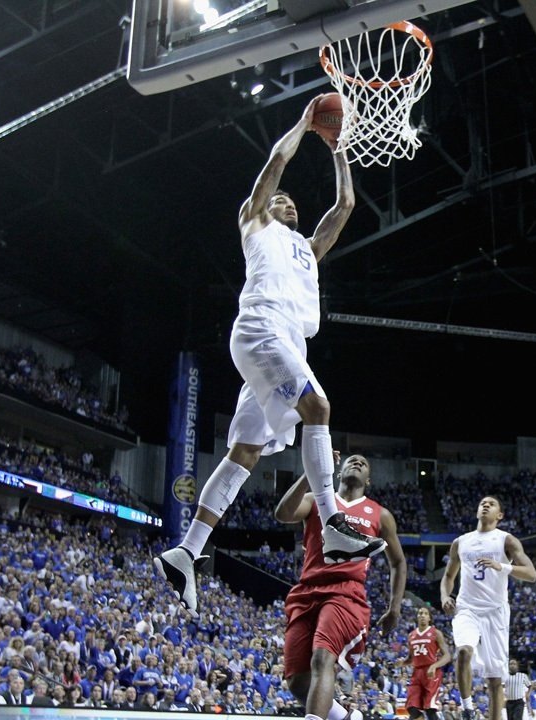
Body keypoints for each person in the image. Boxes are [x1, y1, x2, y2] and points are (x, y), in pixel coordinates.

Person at [154, 94, 384, 618]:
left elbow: (344, 206)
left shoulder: (305, 248)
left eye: (293, 204)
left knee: (245, 454)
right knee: (319, 409)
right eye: (283, 200)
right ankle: (332, 526)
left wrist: (339, 147)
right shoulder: (256, 223)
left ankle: (186, 551)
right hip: (262, 332)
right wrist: (304, 126)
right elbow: (272, 171)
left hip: (282, 346)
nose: (290, 204)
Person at [274, 452, 406, 720]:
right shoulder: (318, 498)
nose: (358, 462)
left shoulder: (380, 514)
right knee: (297, 682)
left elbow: (398, 562)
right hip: (307, 590)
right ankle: (343, 719)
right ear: (339, 469)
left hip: (347, 593)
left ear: (369, 479)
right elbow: (283, 514)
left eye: (364, 462)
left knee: (323, 660)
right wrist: (312, 470)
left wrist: (395, 606)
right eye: (352, 460)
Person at [440, 495, 536, 720]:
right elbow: (448, 576)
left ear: (500, 515)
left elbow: (531, 574)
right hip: (467, 608)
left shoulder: (506, 540)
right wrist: (446, 596)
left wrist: (502, 566)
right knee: (463, 652)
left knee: (496, 681)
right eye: (482, 502)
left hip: (495, 613)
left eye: (492, 503)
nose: (485, 504)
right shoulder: (461, 541)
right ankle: (469, 710)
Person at [398, 606, 452, 720]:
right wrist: (402, 663)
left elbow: (447, 655)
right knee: (411, 708)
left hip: (431, 673)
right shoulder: (412, 636)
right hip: (417, 673)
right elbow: (410, 658)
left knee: (430, 709)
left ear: (430, 618)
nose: (422, 615)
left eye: (425, 613)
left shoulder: (436, 633)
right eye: (419, 613)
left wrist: (435, 666)